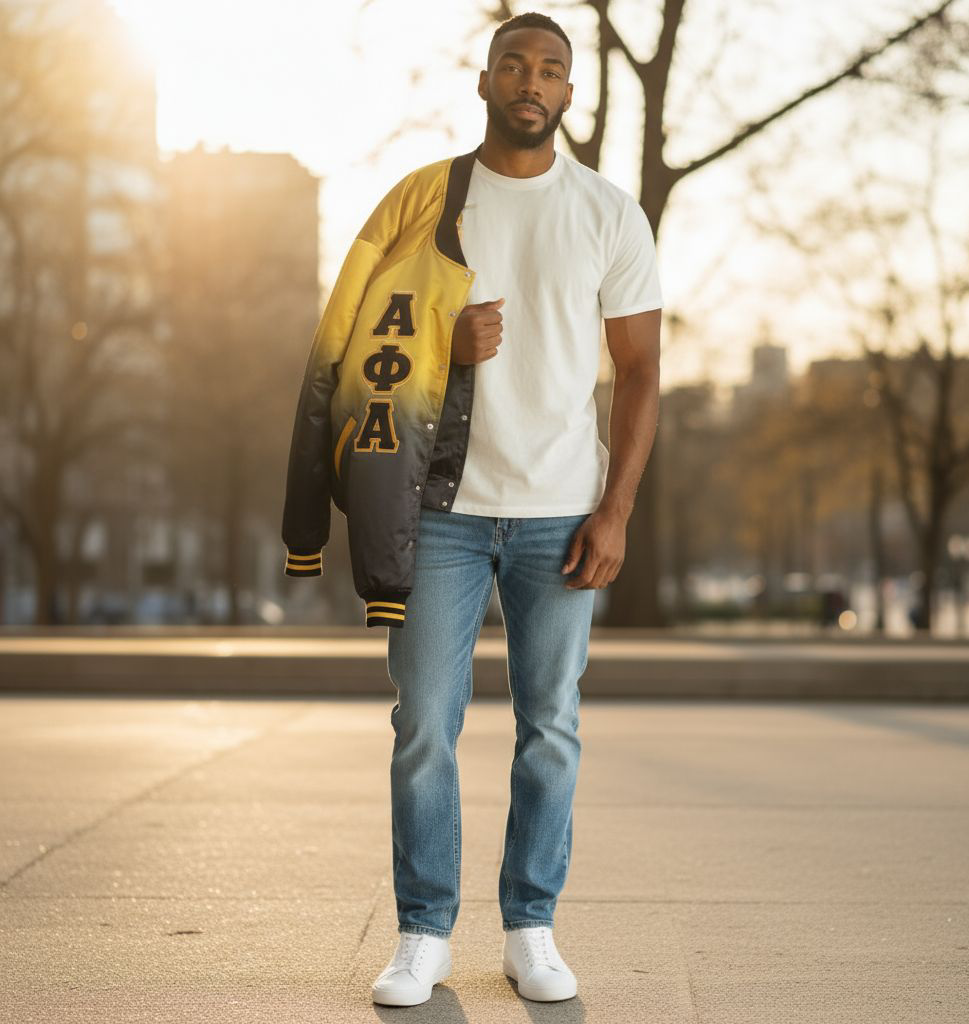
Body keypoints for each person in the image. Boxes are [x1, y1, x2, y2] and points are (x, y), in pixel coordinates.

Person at [368, 11, 663, 1007]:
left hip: (558, 512)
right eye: (514, 65)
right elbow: (365, 345)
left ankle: (530, 924)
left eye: (549, 70)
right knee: (424, 726)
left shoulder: (609, 213)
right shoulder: (425, 204)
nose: (531, 81)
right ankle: (422, 931)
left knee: (550, 728)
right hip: (441, 511)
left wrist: (615, 510)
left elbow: (640, 371)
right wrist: (439, 349)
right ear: (487, 80)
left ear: (568, 93)